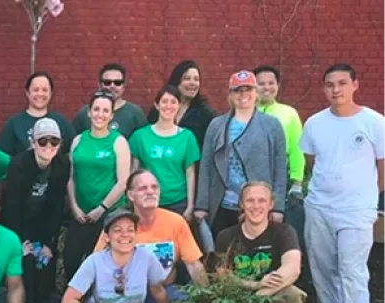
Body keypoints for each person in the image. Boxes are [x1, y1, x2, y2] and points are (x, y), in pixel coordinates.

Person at [300, 64, 385, 303]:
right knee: (322, 268)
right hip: (320, 206)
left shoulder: (374, 123)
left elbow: (382, 166)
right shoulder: (314, 124)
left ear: (355, 85)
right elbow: (311, 162)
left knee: (352, 272)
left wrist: (366, 197)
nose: (336, 90)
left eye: (342, 83)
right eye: (329, 85)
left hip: (356, 211)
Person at [215, 181, 307, 303]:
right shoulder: (226, 236)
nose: (256, 206)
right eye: (250, 200)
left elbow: (292, 268)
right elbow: (222, 277)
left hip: (271, 294)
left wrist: (260, 295)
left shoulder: (283, 232)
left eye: (261, 200)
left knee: (293, 295)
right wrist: (255, 286)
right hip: (237, 296)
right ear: (241, 204)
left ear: (271, 204)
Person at [1, 118, 70, 303]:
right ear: (33, 142)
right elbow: (12, 205)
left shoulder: (61, 165)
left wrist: (49, 243)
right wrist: (18, 242)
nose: (49, 146)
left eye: (54, 141)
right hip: (19, 222)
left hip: (43, 222)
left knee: (46, 262)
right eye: (43, 141)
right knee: (25, 263)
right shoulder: (20, 164)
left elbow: (57, 205)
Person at [194, 70, 287, 236]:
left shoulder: (272, 125)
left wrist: (278, 206)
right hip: (223, 204)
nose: (243, 95)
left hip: (258, 206)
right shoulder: (217, 125)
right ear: (230, 94)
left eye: (248, 89)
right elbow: (206, 166)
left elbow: (279, 168)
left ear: (256, 93)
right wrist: (202, 205)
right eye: (237, 90)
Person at [94, 170, 208, 298]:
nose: (150, 192)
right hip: (128, 291)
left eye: (154, 187)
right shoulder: (117, 224)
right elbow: (96, 263)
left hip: (167, 288)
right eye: (143, 188)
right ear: (131, 195)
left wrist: (206, 298)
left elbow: (193, 264)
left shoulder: (176, 221)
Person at [64, 90, 131, 280]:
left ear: (111, 115)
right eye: (96, 109)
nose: (100, 114)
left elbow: (122, 182)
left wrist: (101, 209)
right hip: (80, 215)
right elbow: (71, 178)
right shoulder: (78, 140)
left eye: (105, 111)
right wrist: (74, 207)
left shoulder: (118, 142)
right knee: (72, 260)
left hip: (108, 215)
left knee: (103, 264)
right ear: (89, 112)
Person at [253, 65, 307, 245]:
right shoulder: (246, 112)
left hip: (279, 176)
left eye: (271, 83)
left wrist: (297, 181)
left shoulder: (288, 113)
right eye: (261, 84)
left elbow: (296, 148)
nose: (266, 88)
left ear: (278, 85)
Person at [129, 85, 201, 219]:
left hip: (177, 202)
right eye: (164, 101)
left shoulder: (187, 137)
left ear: (179, 106)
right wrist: (132, 201)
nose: (168, 106)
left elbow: (190, 173)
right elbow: (134, 172)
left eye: (173, 102)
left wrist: (190, 206)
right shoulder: (140, 136)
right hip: (147, 200)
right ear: (157, 105)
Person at [0, 72, 75, 156]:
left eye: (45, 90)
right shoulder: (15, 123)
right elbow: (2, 157)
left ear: (51, 93)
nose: (40, 94)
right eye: (35, 90)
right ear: (27, 93)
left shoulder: (61, 122)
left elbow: (73, 151)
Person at [147, 60, 216, 151]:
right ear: (176, 81)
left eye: (196, 79)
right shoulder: (160, 110)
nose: (192, 83)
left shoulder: (206, 114)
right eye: (187, 78)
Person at [72, 63, 148, 138]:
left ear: (123, 86)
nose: (112, 86)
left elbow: (143, 142)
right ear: (99, 85)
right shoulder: (85, 113)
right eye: (107, 82)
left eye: (117, 82)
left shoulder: (135, 113)